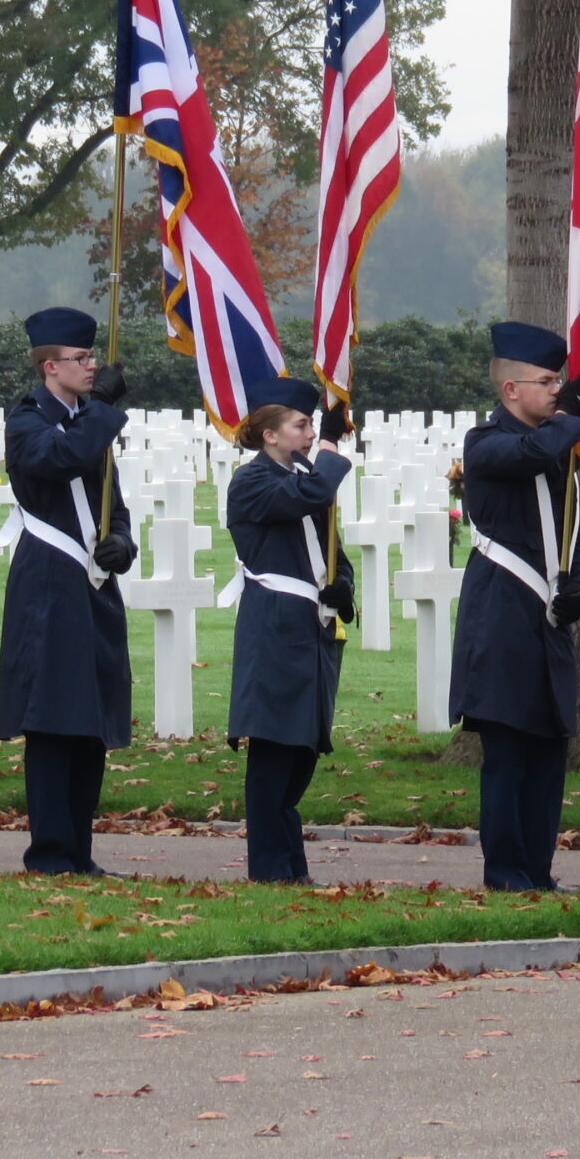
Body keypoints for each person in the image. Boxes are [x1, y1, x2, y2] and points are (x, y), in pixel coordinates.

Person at [449, 321, 580, 893]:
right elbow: (534, 451)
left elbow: (572, 527)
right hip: (503, 613)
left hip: (548, 618)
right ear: (511, 391)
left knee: (547, 752)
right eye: (545, 380)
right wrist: (571, 420)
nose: (557, 388)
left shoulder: (555, 447)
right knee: (508, 754)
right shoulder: (486, 444)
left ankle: (539, 868)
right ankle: (506, 873)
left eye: (558, 379)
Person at [0, 307, 137, 877]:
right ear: (50, 366)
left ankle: (79, 851)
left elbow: (114, 505)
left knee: (89, 722)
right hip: (49, 579)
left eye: (93, 357)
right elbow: (60, 458)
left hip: (92, 582)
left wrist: (121, 544)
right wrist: (103, 409)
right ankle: (50, 853)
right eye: (81, 360)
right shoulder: (25, 420)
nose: (92, 366)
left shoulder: (88, 419)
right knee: (54, 720)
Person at [221, 374, 357, 883]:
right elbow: (311, 491)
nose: (307, 433)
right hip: (274, 625)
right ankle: (269, 867)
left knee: (301, 750)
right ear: (270, 434)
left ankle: (290, 868)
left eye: (309, 426)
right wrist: (328, 446)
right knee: (275, 750)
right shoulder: (252, 481)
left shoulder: (302, 478)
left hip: (311, 628)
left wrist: (342, 584)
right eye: (300, 425)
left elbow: (331, 549)